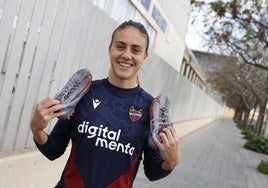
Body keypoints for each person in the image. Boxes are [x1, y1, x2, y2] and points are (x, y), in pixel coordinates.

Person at [30, 20, 180, 188]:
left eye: (135, 50)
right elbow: (53, 150)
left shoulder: (150, 109)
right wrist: (36, 129)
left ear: (144, 56)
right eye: (120, 46)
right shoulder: (84, 93)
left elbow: (152, 172)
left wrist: (170, 162)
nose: (126, 55)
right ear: (110, 49)